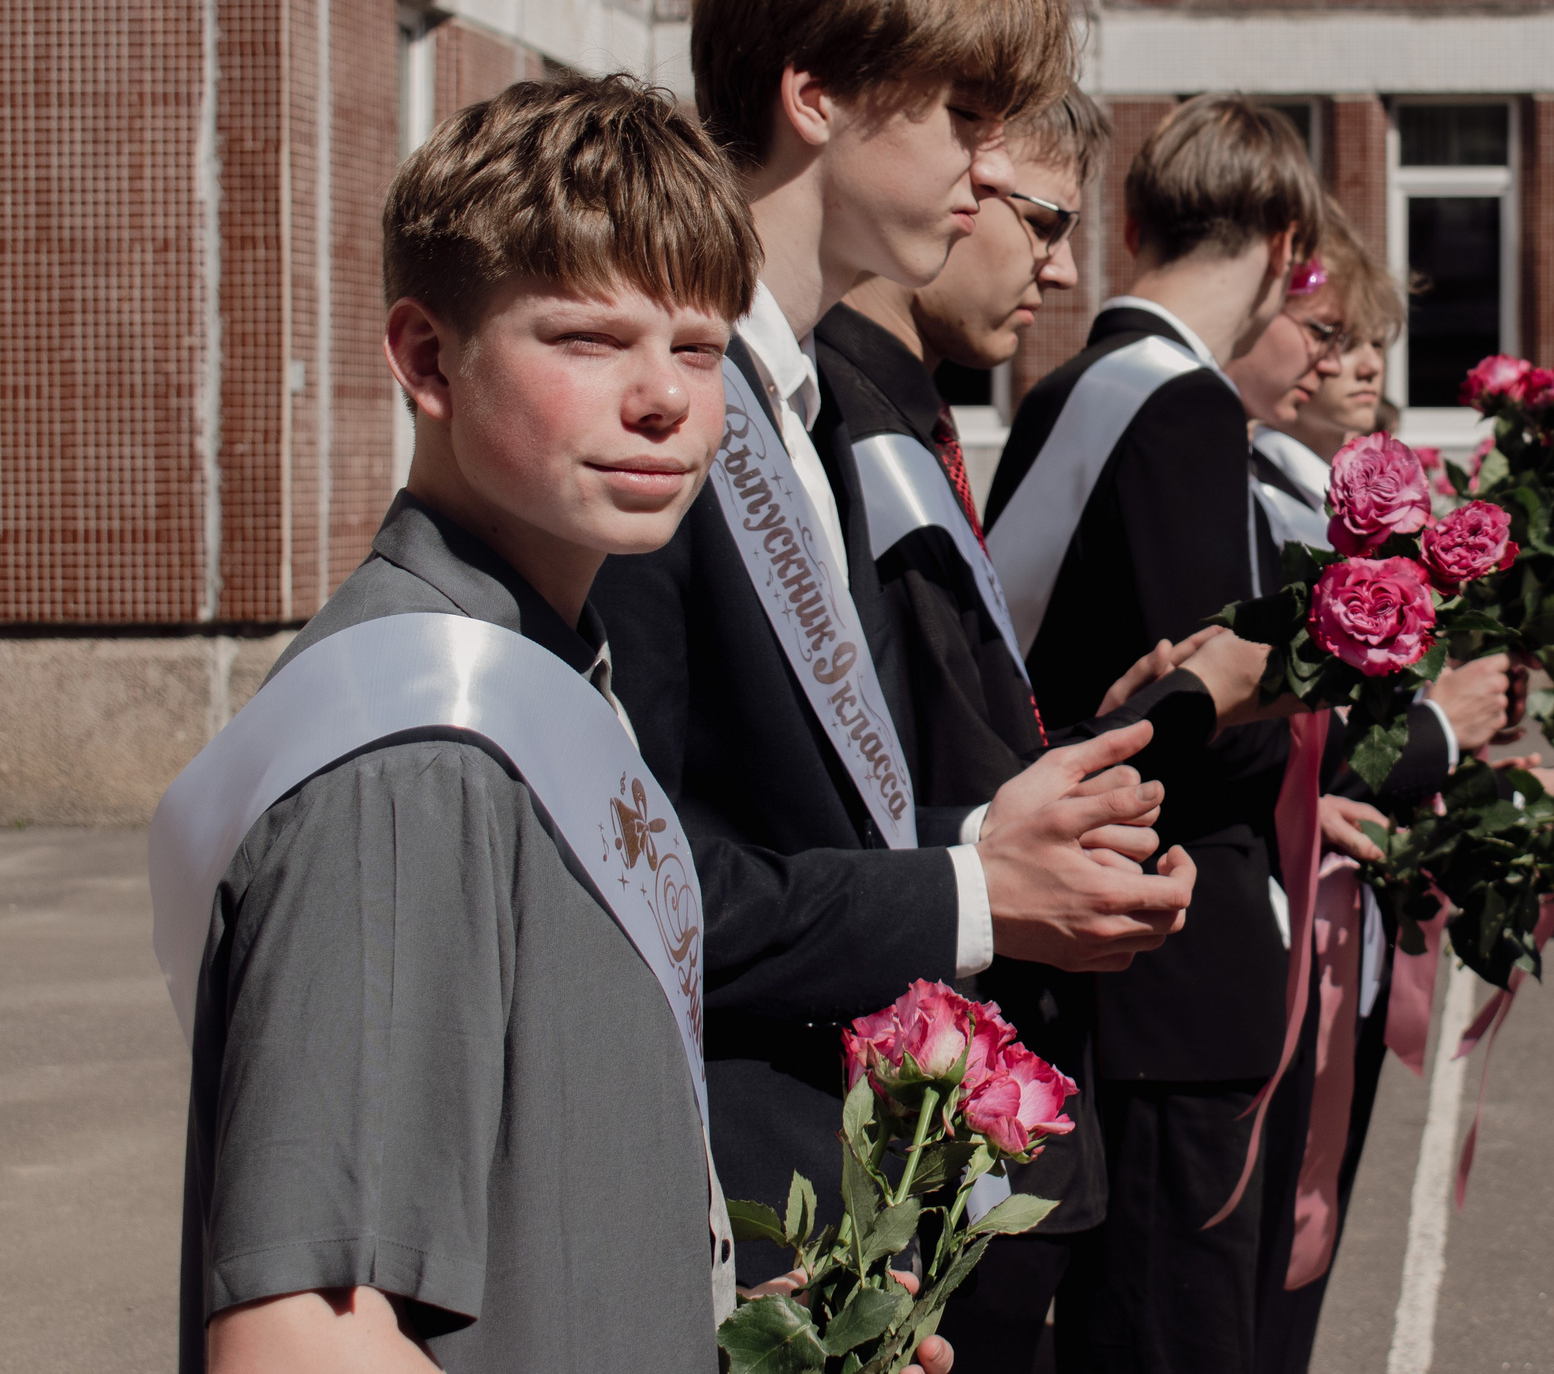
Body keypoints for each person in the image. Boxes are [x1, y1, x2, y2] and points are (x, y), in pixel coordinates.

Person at [164, 77, 960, 1373]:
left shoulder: (548, 672)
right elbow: (303, 1335)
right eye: (588, 339)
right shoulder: (414, 753)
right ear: (427, 356)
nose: (663, 398)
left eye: (698, 347)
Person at [591, 0, 1197, 1280]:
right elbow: (642, 878)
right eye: (962, 120)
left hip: (836, 1194)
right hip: (723, 1212)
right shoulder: (656, 419)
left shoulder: (795, 402)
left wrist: (1008, 825)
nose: (993, 173)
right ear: (815, 96)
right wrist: (979, 891)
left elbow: (805, 800)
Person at [824, 85, 1274, 1371]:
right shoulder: (844, 417)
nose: (1066, 264)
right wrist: (1199, 702)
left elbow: (953, 732)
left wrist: (1112, 719)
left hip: (985, 1031)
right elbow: (870, 785)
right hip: (954, 1037)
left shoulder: (946, 406)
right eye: (1034, 216)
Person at [984, 94, 1324, 1374]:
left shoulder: (1068, 385)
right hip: (1170, 978)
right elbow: (1204, 708)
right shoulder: (1178, 402)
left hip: (1091, 961)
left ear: (1127, 220)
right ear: (1290, 244)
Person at [1224, 217, 1512, 1374]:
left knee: (1314, 1200)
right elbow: (1305, 735)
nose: (1358, 365)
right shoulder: (1254, 498)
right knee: (1273, 1215)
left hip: (1349, 891)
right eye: (1331, 335)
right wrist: (1441, 726)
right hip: (1287, 904)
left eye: (1375, 341)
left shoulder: (1355, 496)